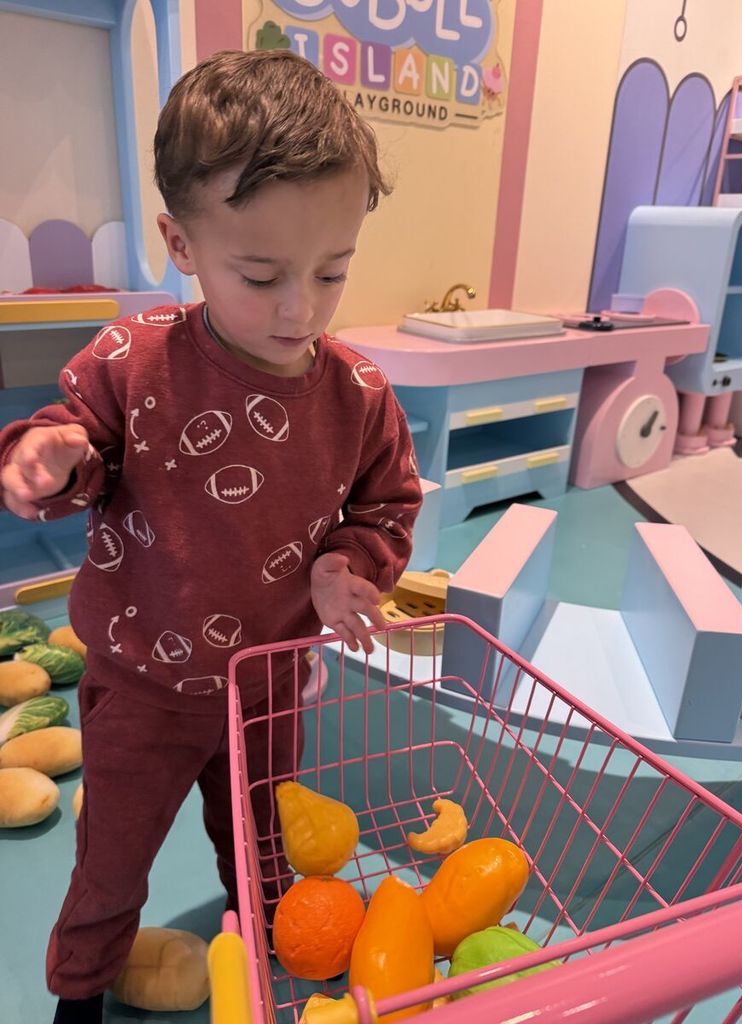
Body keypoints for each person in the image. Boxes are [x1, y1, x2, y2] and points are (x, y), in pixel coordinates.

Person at [0, 49, 422, 1024]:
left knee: (264, 843)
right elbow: (78, 445)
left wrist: (342, 568)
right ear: (180, 244)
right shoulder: (132, 359)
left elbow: (385, 505)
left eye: (332, 271)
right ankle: (78, 996)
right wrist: (49, 454)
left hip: (269, 684)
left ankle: (272, 951)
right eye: (261, 273)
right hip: (141, 686)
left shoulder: (357, 394)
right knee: (110, 862)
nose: (300, 308)